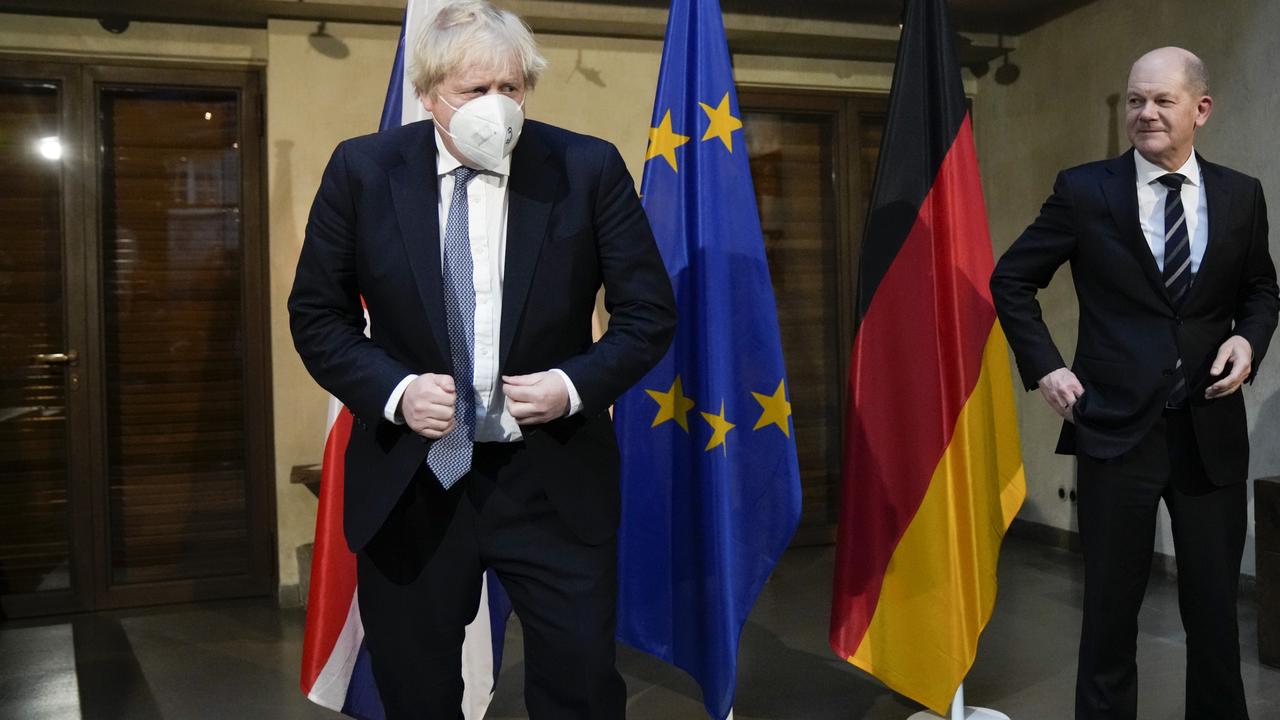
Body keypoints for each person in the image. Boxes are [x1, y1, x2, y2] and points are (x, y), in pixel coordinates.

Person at [287, 2, 676, 717]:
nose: (497, 107)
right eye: (474, 91)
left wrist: (570, 385)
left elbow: (648, 312)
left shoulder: (585, 168)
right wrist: (397, 391)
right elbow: (317, 315)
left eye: (513, 88)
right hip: (416, 478)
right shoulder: (364, 171)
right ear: (431, 94)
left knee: (582, 689)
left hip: (550, 478)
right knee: (416, 690)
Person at [991, 46, 1278, 719]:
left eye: (1161, 100)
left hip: (1210, 433)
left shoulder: (1241, 193)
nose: (1144, 113)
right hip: (1113, 432)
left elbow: (1262, 290)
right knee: (1110, 619)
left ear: (1201, 109)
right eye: (1134, 101)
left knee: (1213, 617)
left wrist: (1248, 338)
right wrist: (1046, 367)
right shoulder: (1084, 190)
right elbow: (1012, 279)